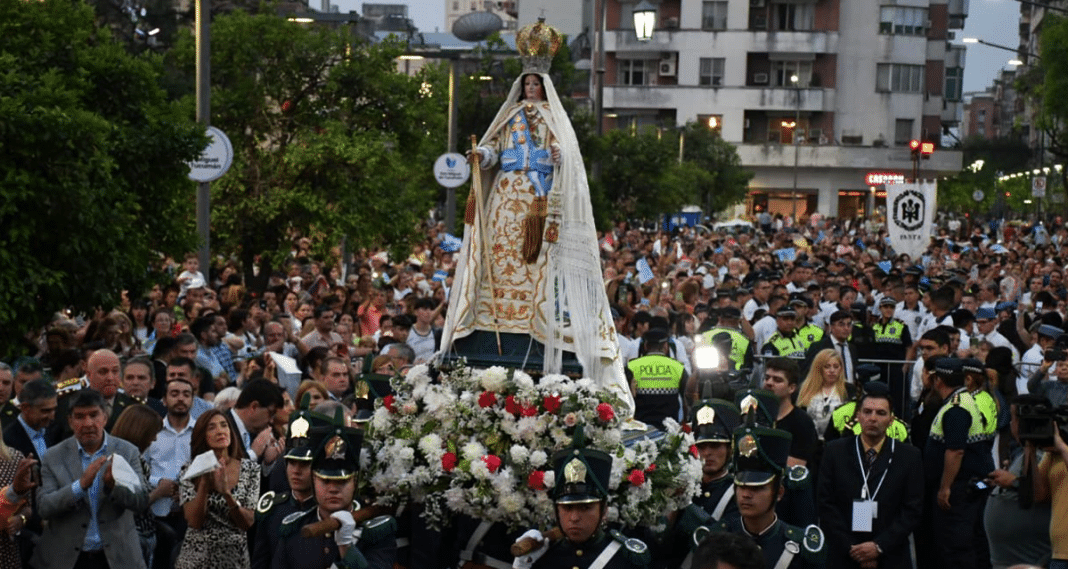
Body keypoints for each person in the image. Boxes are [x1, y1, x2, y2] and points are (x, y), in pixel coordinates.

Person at [439, 19, 633, 416]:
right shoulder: (509, 117)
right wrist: (483, 157)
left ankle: (533, 315)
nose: (529, 90)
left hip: (538, 199)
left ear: (543, 87)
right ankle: (489, 312)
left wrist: (560, 158)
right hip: (506, 195)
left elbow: (570, 161)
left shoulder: (553, 119)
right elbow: (494, 150)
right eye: (525, 84)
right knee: (504, 253)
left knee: (535, 260)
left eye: (535, 85)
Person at [34, 389, 150, 569]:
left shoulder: (127, 451)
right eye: (80, 417)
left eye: (94, 415)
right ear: (70, 421)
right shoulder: (53, 456)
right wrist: (79, 486)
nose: (88, 423)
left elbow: (141, 501)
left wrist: (115, 486)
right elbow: (44, 507)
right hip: (67, 559)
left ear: (105, 417)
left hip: (117, 558)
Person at [817, 385, 924, 569]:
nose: (873, 418)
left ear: (891, 419)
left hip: (891, 555)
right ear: (858, 416)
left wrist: (879, 546)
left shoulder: (909, 456)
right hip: (843, 555)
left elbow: (912, 510)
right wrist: (852, 548)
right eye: (867, 412)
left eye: (881, 413)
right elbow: (825, 503)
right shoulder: (835, 451)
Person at [510, 430, 650, 569]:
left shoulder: (625, 559)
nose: (574, 517)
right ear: (556, 511)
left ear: (604, 511)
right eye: (567, 508)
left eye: (585, 507)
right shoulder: (543, 556)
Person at [272, 417, 398, 569]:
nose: (333, 488)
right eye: (325, 481)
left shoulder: (376, 533)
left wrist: (346, 546)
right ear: (313, 480)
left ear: (355, 482)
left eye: (342, 482)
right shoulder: (294, 529)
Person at [707, 426, 825, 569]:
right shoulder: (717, 539)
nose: (746, 494)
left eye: (756, 488)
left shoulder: (799, 547)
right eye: (741, 486)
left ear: (779, 493)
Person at [922, 357, 994, 569]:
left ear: (938, 381)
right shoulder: (966, 400)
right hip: (972, 485)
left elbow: (955, 451)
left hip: (960, 489)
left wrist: (945, 488)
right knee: (971, 541)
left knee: (956, 545)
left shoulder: (956, 408)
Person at [176, 409, 259, 569]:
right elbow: (194, 522)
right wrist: (204, 486)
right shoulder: (189, 471)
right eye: (211, 427)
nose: (220, 431)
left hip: (235, 558)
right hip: (196, 558)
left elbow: (247, 523)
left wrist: (227, 495)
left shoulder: (250, 469)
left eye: (224, 425)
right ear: (203, 435)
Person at [984, 394, 1052, 569]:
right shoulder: (1024, 452)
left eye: (1013, 418)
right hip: (1008, 560)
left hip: (1032, 560)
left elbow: (1044, 493)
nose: (1011, 424)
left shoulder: (1045, 455)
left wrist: (1014, 482)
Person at [252, 411, 324, 569]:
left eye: (304, 464)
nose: (296, 471)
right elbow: (260, 562)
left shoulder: (326, 511)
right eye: (291, 463)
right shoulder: (272, 509)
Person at [146, 376, 195, 569]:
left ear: (192, 399)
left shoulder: (201, 430)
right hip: (156, 511)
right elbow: (141, 468)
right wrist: (161, 484)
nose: (181, 399)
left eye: (186, 394)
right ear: (164, 400)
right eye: (174, 394)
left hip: (189, 513)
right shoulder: (152, 430)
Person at [109, 405, 165, 569]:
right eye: (152, 433)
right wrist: (159, 492)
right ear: (139, 431)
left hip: (143, 534)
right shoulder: (120, 459)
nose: (154, 439)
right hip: (129, 536)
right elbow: (129, 502)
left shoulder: (134, 456)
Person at [627, 329, 688, 427]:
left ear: (646, 346)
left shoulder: (631, 366)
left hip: (640, 428)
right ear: (666, 346)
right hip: (670, 430)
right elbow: (686, 398)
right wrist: (685, 421)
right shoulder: (678, 367)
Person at [1032, 419, 1068, 569]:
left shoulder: (1062, 447)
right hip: (1060, 554)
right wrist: (1030, 451)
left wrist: (1063, 448)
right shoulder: (1055, 452)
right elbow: (1039, 495)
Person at [797, 348, 851, 438]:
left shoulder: (848, 389)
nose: (832, 370)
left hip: (837, 441)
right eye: (827, 366)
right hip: (810, 440)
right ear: (818, 368)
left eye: (836, 366)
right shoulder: (805, 389)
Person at [3, 378, 57, 460]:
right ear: (25, 408)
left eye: (54, 409)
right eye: (46, 411)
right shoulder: (7, 442)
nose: (52, 417)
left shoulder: (53, 431)